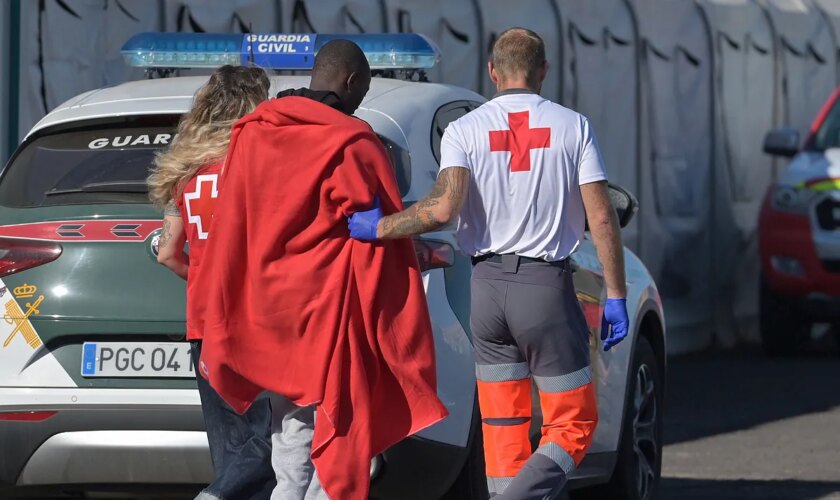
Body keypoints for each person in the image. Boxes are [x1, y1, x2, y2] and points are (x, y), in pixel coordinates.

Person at [349, 27, 630, 499]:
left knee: (504, 429)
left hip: (485, 292)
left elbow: (442, 209)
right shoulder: (572, 126)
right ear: (543, 71)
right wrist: (617, 295)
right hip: (544, 291)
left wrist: (378, 227)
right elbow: (601, 217)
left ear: (492, 72)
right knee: (574, 422)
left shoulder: (464, 129)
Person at [190, 40, 448, 500]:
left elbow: (232, 226)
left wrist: (223, 310)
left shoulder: (252, 133)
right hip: (325, 317)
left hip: (265, 318)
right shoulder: (352, 141)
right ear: (351, 82)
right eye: (362, 91)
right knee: (338, 436)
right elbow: (381, 239)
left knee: (289, 440)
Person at [147, 65, 274, 500]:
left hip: (203, 322)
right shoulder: (258, 164)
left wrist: (202, 276)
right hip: (254, 318)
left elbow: (167, 253)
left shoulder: (186, 172)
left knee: (232, 447)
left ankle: (222, 490)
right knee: (271, 440)